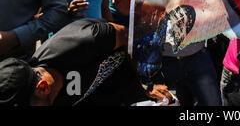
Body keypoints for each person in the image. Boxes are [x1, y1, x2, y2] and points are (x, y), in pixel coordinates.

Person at [0, 18, 172, 106]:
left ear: (43, 87)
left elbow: (132, 37)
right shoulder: (42, 95)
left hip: (137, 86)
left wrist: (148, 82)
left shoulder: (85, 41)